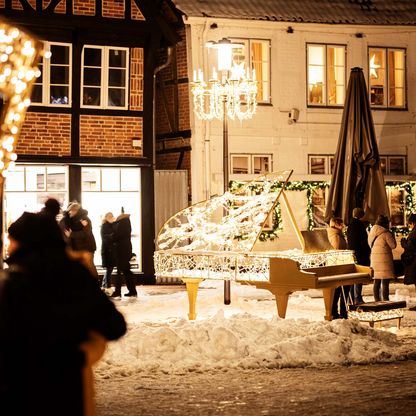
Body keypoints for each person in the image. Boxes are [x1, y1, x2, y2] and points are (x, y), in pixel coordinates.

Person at [0, 212, 127, 416]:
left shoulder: (11, 282)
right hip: (69, 390)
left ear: (23, 243)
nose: (8, 245)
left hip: (18, 391)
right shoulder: (75, 276)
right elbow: (114, 326)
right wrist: (80, 353)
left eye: (11, 239)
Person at [60, 201, 98, 278]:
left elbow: (86, 233)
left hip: (86, 247)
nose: (71, 212)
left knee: (89, 267)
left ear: (77, 211)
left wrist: (72, 234)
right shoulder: (65, 220)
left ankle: (95, 284)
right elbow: (63, 233)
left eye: (73, 210)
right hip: (74, 248)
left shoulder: (85, 219)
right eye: (70, 210)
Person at [368, 214, 397, 302]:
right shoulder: (386, 233)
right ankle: (385, 300)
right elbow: (393, 246)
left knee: (376, 281)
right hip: (384, 260)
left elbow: (370, 244)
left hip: (374, 259)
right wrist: (393, 235)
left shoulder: (372, 232)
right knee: (385, 281)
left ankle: (377, 300)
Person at [327, 217, 350, 319]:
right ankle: (338, 312)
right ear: (337, 225)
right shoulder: (336, 236)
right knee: (341, 291)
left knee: (339, 291)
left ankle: (337, 312)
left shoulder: (336, 234)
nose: (343, 226)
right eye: (341, 224)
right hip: (340, 267)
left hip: (339, 267)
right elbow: (337, 252)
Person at [346, 207, 371, 304]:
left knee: (355, 277)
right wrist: (367, 251)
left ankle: (352, 298)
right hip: (360, 254)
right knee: (359, 277)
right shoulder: (359, 225)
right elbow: (363, 241)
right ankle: (357, 298)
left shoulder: (351, 225)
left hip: (354, 254)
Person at [111, 208, 137, 297]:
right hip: (125, 250)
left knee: (120, 271)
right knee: (126, 271)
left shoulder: (122, 223)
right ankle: (132, 290)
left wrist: (111, 234)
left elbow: (117, 235)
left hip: (121, 250)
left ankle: (118, 291)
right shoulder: (126, 223)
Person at [400, 214, 416, 306]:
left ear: (413, 223)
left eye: (410, 224)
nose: (410, 226)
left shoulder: (414, 233)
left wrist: (403, 242)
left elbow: (410, 247)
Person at [101, 212, 116, 290]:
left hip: (112, 251)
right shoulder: (104, 226)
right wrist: (113, 235)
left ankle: (104, 285)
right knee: (109, 269)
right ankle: (108, 286)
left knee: (109, 269)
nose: (111, 217)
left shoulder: (113, 225)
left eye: (112, 216)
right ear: (106, 217)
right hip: (107, 251)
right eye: (109, 216)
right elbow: (105, 238)